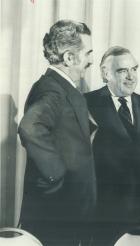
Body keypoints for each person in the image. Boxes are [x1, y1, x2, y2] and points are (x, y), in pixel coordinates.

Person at [18, 20, 96, 246]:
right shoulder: (54, 90)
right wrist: (56, 173)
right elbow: (29, 127)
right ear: (70, 58)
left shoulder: (56, 86)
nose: (91, 59)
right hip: (56, 213)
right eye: (88, 53)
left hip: (64, 212)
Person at [85, 46, 140, 245]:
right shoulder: (85, 104)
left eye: (134, 69)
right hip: (103, 215)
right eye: (122, 70)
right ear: (105, 74)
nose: (131, 76)